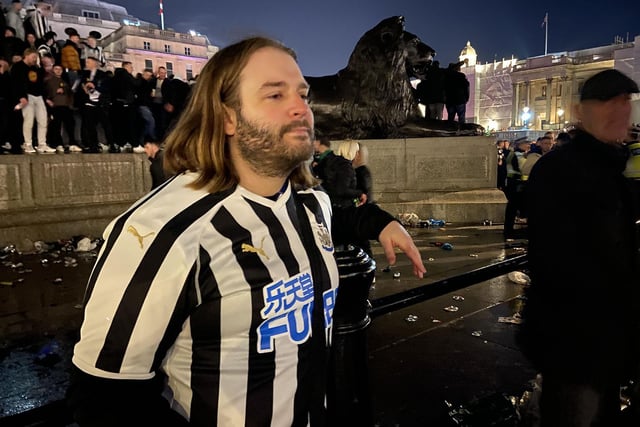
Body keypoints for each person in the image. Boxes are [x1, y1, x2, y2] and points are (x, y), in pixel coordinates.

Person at [66, 36, 426, 426]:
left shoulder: (310, 203)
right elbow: (105, 395)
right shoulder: (162, 233)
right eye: (275, 95)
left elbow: (336, 215)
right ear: (227, 118)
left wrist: (380, 222)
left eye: (302, 95)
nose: (301, 108)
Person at [517, 69, 640, 426]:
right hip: (576, 342)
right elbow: (556, 261)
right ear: (580, 111)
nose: (620, 112)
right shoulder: (560, 170)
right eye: (608, 103)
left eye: (625, 103)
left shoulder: (612, 168)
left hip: (608, 338)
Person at [10, 47, 53, 153]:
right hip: (27, 95)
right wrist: (21, 96)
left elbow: (41, 83)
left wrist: (45, 97)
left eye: (36, 57)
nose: (35, 59)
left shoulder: (36, 68)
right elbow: (16, 83)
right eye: (33, 57)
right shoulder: (18, 67)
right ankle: (27, 143)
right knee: (28, 120)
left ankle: (42, 143)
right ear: (27, 55)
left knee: (43, 120)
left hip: (38, 96)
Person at [312, 135, 366, 208]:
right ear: (353, 152)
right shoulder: (346, 167)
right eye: (357, 151)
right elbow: (342, 190)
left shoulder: (332, 163)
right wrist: (360, 194)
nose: (358, 154)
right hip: (342, 209)